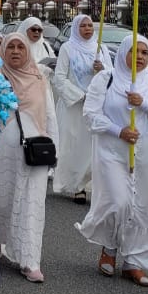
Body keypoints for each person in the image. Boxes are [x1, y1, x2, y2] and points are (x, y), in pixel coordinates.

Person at [78, 36, 148, 287]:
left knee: (144, 206)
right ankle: (109, 247)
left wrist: (144, 104)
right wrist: (118, 130)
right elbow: (90, 115)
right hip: (112, 152)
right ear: (123, 53)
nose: (141, 57)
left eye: (145, 52)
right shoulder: (106, 79)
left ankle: (134, 260)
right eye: (135, 51)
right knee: (119, 201)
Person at [0, 34, 59, 283]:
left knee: (31, 204)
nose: (16, 51)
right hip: (1, 153)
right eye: (11, 47)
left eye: (21, 47)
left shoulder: (40, 79)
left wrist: (55, 151)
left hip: (36, 150)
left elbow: (50, 115)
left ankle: (29, 260)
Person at [51, 15, 103, 202]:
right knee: (73, 145)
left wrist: (102, 69)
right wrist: (80, 95)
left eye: (90, 25)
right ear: (76, 28)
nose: (88, 29)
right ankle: (74, 185)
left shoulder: (100, 49)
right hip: (73, 106)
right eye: (83, 26)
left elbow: (111, 77)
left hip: (95, 107)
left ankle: (88, 186)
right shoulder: (68, 49)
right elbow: (59, 78)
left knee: (92, 148)